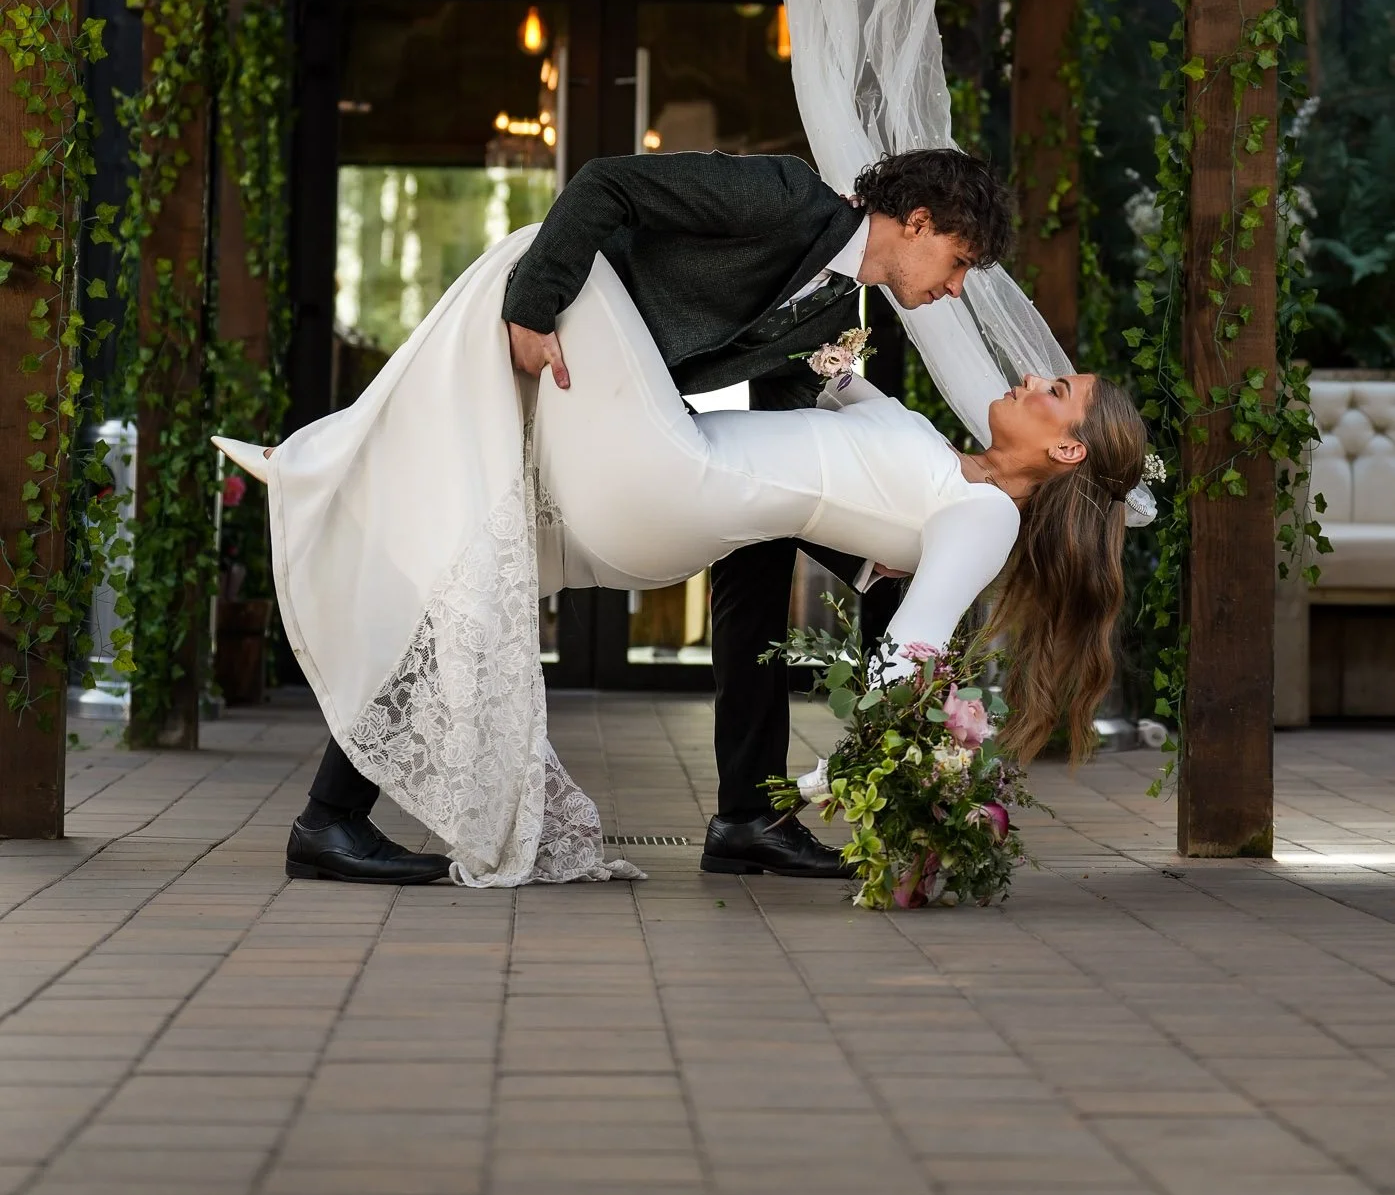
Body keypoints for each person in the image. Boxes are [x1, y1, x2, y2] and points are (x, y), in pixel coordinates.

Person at [218, 166, 1146, 890]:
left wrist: (869, 780)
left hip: (668, 475)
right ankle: (327, 820)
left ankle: (333, 451)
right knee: (463, 566)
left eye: (1052, 393)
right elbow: (828, 435)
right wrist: (532, 316)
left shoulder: (982, 518)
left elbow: (910, 644)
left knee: (533, 259)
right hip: (659, 476)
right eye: (956, 260)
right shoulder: (831, 285)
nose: (957, 293)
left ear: (1065, 455)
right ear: (915, 223)